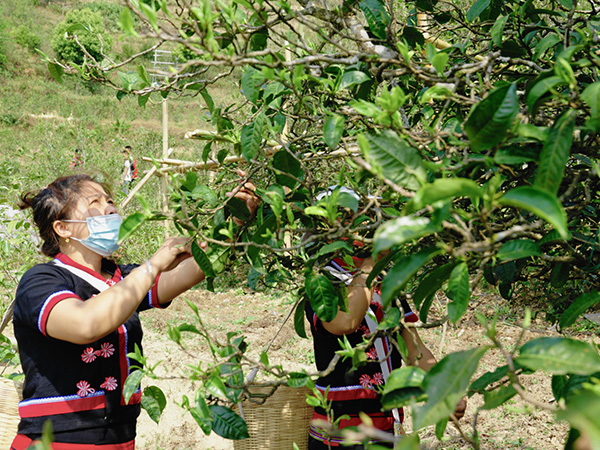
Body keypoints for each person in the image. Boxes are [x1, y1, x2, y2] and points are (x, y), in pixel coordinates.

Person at [10, 173, 258, 449]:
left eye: (110, 201)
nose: (111, 209)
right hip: (59, 441)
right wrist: (152, 266)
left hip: (120, 437)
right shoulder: (41, 281)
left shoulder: (121, 278)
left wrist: (234, 218)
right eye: (95, 202)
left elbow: (197, 268)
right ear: (63, 228)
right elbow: (85, 324)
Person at [305, 187, 466, 449]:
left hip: (386, 426)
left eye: (360, 217)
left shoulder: (383, 284)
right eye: (345, 218)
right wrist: (370, 264)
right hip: (340, 431)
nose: (357, 226)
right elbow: (345, 323)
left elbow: (413, 349)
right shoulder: (322, 282)